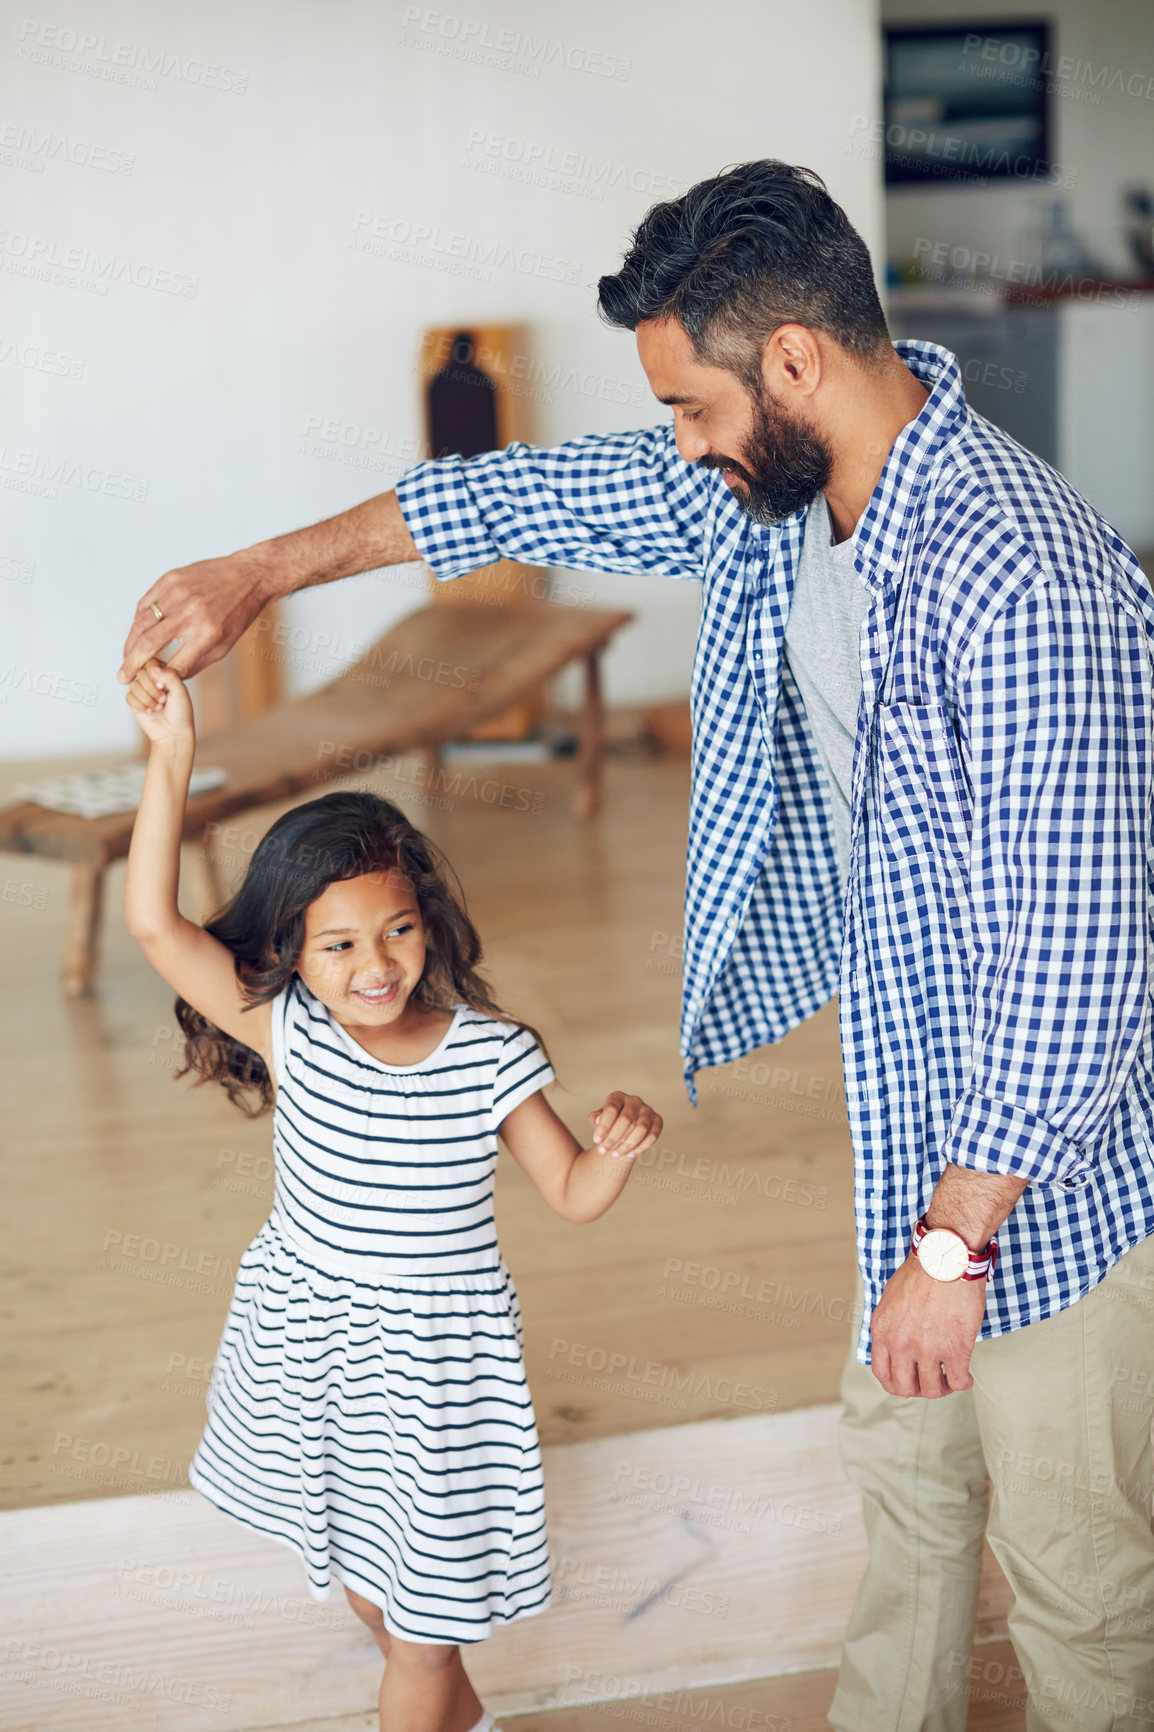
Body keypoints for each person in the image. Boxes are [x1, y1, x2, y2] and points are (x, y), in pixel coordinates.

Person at [120, 161, 1154, 1729]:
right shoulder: (785, 490)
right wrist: (259, 574)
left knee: (1079, 1578)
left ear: (791, 362)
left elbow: (1083, 964)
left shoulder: (1019, 580)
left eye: (685, 406)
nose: (674, 442)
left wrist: (951, 1246)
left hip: (1048, 1192)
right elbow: (507, 495)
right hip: (919, 1141)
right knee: (910, 1490)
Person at [122, 658, 662, 1732]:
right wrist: (170, 757)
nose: (376, 964)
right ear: (288, 952)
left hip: (433, 1378)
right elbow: (153, 923)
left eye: (398, 929)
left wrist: (617, 1147)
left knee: (423, 1624)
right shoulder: (290, 1030)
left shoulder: (490, 1055)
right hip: (313, 1354)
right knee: (377, 1594)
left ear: (430, 919)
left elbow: (568, 1191)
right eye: (339, 944)